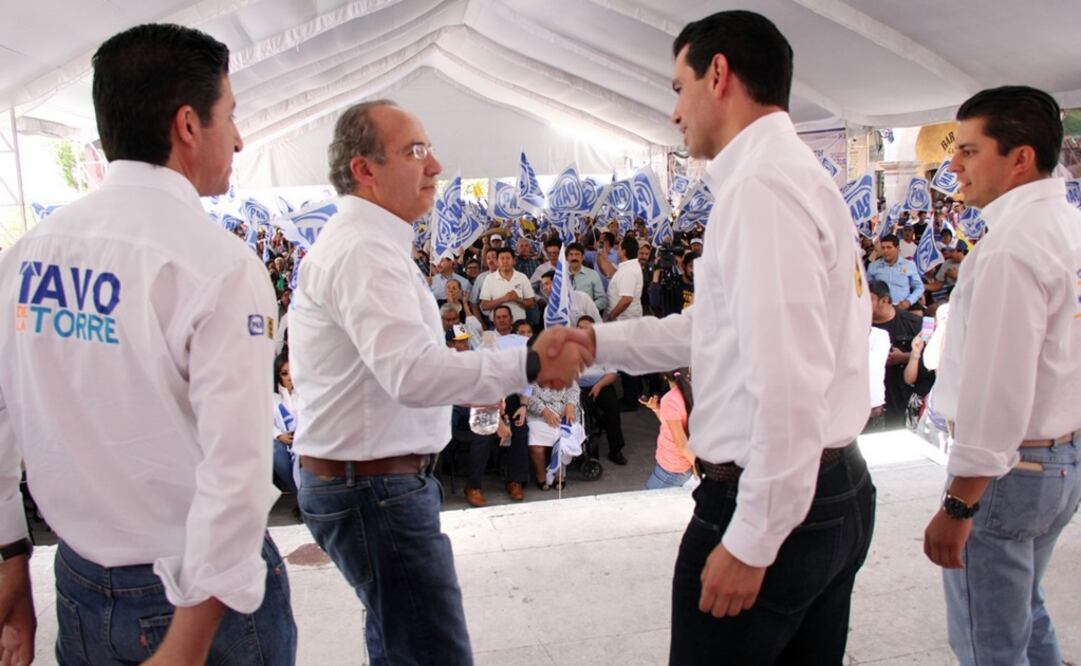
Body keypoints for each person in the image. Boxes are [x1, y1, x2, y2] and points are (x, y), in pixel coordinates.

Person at [540, 11, 873, 663]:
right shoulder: (791, 177)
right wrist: (596, 345)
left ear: (717, 74)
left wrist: (753, 536)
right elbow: (717, 330)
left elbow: (789, 380)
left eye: (676, 87)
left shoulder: (761, 189)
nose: (673, 113)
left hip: (776, 502)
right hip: (828, 490)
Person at [0, 24, 298, 664]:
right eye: (232, 116)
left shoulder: (26, 256)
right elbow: (238, 472)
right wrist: (185, 646)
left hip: (78, 585)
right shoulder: (217, 265)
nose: (239, 139)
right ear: (188, 126)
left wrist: (7, 564)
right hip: (193, 601)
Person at [288, 100, 590, 665]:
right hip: (374, 488)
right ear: (365, 169)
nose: (436, 166)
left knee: (398, 642)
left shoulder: (374, 244)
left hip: (371, 482)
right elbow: (414, 372)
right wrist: (527, 364)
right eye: (415, 151)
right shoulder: (363, 251)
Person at [923, 86, 1081, 666]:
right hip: (1055, 460)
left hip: (1009, 473)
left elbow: (999, 389)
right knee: (1023, 614)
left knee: (989, 643)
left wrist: (960, 504)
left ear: (1020, 157)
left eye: (968, 150)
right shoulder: (1067, 226)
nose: (954, 166)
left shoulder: (1012, 248)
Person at [640, 370, 696, 489]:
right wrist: (656, 408)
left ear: (663, 375)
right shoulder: (693, 390)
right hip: (683, 466)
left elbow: (682, 444)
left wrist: (697, 466)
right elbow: (673, 427)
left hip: (672, 469)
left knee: (647, 503)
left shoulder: (670, 400)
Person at [866, 234, 924, 309]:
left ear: (897, 248)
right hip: (880, 308)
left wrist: (908, 301)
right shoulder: (873, 266)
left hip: (903, 308)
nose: (885, 251)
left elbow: (919, 287)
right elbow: (867, 287)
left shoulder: (909, 265)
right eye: (883, 248)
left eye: (889, 247)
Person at [479, 247, 536, 322]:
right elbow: (484, 306)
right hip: (497, 325)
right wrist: (504, 299)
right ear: (497, 262)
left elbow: (531, 304)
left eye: (508, 258)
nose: (505, 261)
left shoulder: (522, 277)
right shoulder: (489, 278)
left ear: (514, 261)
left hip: (519, 325)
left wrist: (517, 299)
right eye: (502, 258)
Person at [273, 352, 299, 495]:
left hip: (303, 439)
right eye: (284, 373)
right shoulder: (271, 396)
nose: (289, 377)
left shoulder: (305, 392)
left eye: (292, 371)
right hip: (283, 441)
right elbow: (264, 422)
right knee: (274, 450)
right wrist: (279, 435)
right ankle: (300, 497)